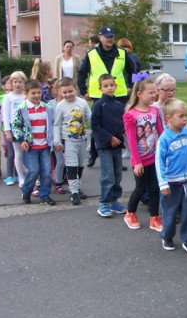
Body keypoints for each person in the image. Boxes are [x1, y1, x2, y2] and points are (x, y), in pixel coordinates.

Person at [78, 27, 135, 167]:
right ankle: (93, 153)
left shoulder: (121, 53)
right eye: (107, 36)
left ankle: (116, 157)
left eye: (112, 36)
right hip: (99, 95)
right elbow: (82, 73)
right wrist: (84, 91)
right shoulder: (91, 54)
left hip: (119, 94)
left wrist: (130, 86)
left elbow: (131, 71)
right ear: (100, 37)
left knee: (117, 125)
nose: (110, 39)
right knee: (98, 125)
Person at [155, 98, 187, 252]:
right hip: (171, 183)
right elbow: (159, 163)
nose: (184, 119)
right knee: (170, 212)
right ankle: (167, 236)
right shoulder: (164, 139)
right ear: (169, 118)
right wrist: (163, 184)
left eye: (185, 116)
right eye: (180, 116)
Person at [123, 78, 164, 231]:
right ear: (139, 94)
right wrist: (137, 161)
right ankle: (130, 213)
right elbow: (132, 140)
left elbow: (161, 133)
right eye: (150, 92)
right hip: (140, 159)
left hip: (154, 157)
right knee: (141, 188)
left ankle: (154, 217)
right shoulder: (130, 115)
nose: (154, 95)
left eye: (155, 92)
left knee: (154, 188)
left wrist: (163, 152)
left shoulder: (155, 110)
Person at [11, 79, 56, 206]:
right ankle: (26, 191)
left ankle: (44, 194)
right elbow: (16, 126)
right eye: (33, 93)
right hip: (31, 146)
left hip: (45, 145)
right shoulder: (21, 108)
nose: (37, 96)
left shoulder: (47, 108)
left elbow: (51, 125)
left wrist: (53, 141)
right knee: (34, 171)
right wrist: (21, 140)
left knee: (46, 172)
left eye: (39, 93)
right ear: (26, 93)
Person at [90, 74, 127, 218]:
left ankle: (114, 201)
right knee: (108, 176)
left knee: (117, 175)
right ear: (100, 88)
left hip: (117, 145)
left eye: (111, 85)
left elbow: (121, 123)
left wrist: (120, 136)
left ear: (115, 86)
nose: (109, 88)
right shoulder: (99, 105)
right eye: (106, 86)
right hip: (104, 146)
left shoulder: (118, 105)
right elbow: (94, 125)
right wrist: (109, 137)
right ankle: (104, 203)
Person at [53, 77, 91, 205]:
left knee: (80, 165)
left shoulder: (82, 102)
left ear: (76, 89)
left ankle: (77, 187)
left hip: (82, 139)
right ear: (60, 92)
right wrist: (57, 141)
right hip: (68, 141)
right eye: (64, 92)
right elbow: (57, 124)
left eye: (70, 91)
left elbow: (89, 118)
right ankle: (73, 192)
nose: (68, 95)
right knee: (71, 166)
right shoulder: (60, 106)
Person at [2, 71, 27, 187]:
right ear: (11, 83)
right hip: (14, 128)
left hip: (26, 128)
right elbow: (5, 115)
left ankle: (28, 174)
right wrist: (7, 131)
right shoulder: (8, 97)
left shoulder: (26, 96)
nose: (17, 84)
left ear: (24, 82)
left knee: (28, 153)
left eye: (20, 82)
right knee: (18, 153)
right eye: (15, 82)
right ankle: (21, 178)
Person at [0, 76, 17, 185]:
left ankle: (18, 174)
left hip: (16, 129)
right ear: (3, 88)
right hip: (7, 130)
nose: (9, 92)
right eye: (7, 90)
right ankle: (10, 175)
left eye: (11, 90)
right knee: (10, 153)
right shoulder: (2, 98)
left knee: (17, 153)